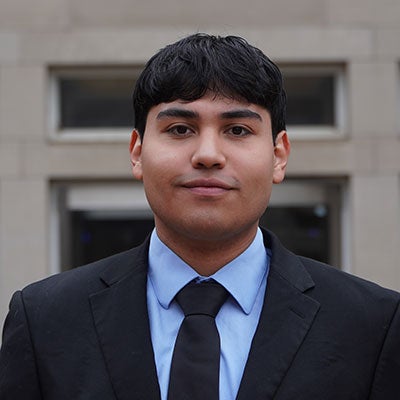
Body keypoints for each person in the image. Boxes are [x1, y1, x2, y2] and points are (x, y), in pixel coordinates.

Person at [0, 33, 399, 400]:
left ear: (279, 156)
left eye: (237, 130)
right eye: (179, 129)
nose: (208, 154)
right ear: (137, 152)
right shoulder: (44, 321)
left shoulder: (373, 325)